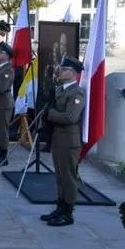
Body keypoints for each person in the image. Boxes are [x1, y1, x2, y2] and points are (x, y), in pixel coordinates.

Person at [40, 58, 86, 227]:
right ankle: (61, 206)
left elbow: (70, 117)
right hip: (59, 139)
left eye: (64, 69)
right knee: (60, 176)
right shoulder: (60, 89)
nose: (60, 71)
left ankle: (68, 212)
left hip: (69, 140)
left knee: (68, 177)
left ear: (73, 73)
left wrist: (50, 113)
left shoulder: (76, 93)